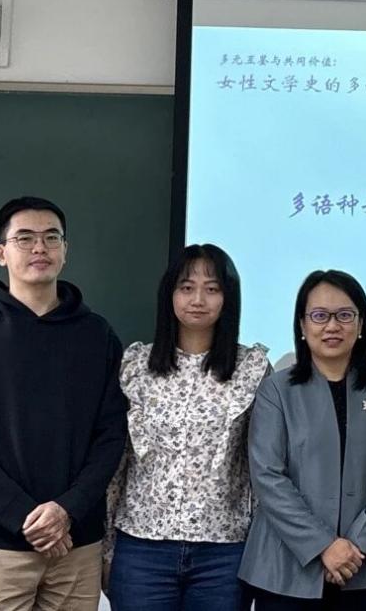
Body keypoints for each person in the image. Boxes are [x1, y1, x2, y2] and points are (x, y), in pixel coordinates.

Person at [0, 196, 128, 611]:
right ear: (1, 253)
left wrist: (67, 511)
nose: (39, 248)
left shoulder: (98, 336)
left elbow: (111, 436)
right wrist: (26, 519)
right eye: (24, 238)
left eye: (51, 238)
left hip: (76, 543)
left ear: (65, 250)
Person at [104, 244, 271, 610]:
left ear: (228, 298)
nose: (198, 299)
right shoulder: (136, 365)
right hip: (142, 548)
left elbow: (263, 466)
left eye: (212, 289)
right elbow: (118, 462)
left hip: (223, 553)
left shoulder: (251, 368)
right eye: (186, 287)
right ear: (170, 294)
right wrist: (106, 546)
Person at [239, 269, 366, 610]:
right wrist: (323, 545)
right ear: (302, 326)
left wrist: (357, 545)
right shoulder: (276, 390)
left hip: (360, 565)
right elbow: (268, 476)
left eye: (344, 315)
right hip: (285, 565)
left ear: (361, 325)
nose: (332, 326)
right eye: (319, 316)